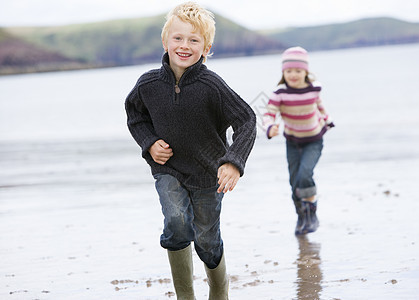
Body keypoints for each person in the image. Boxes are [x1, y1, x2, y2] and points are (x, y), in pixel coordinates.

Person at [125, 2, 256, 299]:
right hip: (168, 170)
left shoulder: (211, 86)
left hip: (209, 176)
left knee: (208, 241)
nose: (185, 46)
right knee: (176, 223)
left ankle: (219, 291)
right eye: (178, 38)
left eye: (194, 40)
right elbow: (135, 115)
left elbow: (246, 119)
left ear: (206, 48)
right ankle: (186, 296)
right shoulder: (147, 84)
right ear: (165, 41)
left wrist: (233, 161)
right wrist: (148, 142)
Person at [263, 46, 334, 236]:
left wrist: (328, 121)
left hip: (314, 140)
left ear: (306, 72)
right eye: (288, 71)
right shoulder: (280, 93)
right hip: (293, 142)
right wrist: (271, 128)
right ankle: (301, 217)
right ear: (283, 72)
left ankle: (312, 214)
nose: (293, 75)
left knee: (304, 174)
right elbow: (269, 114)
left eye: (298, 70)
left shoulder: (313, 89)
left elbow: (319, 106)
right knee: (294, 182)